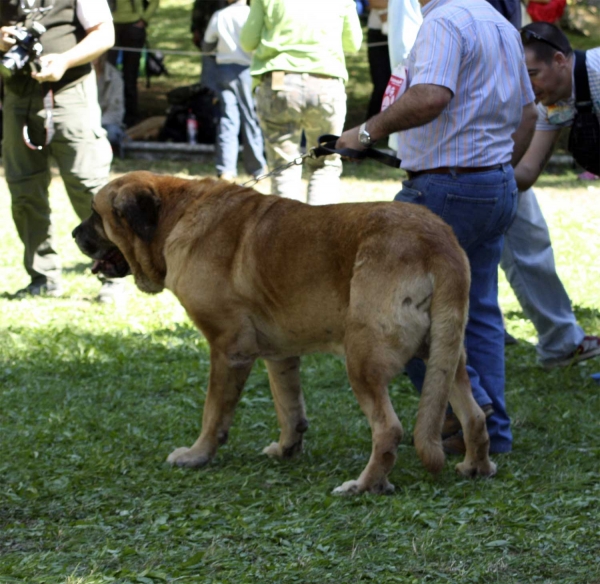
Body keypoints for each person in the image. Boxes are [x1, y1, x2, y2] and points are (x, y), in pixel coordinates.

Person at [337, 0, 538, 455]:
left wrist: (366, 133)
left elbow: (430, 95)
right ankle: (490, 435)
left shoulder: (444, 20)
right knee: (479, 310)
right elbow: (529, 113)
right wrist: (499, 168)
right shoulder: (498, 20)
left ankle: (472, 408)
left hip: (444, 189)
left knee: (394, 311)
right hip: (492, 185)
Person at [0, 0, 125, 303]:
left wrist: (65, 61)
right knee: (24, 190)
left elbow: (104, 33)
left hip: (70, 94)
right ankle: (42, 277)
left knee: (89, 186)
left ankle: (114, 273)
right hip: (18, 96)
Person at [240, 0, 363, 205]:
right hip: (326, 83)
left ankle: (287, 234)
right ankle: (320, 234)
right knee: (325, 165)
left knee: (283, 167)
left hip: (279, 82)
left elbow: (247, 41)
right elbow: (353, 43)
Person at [202, 0, 267, 182]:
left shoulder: (220, 15)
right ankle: (257, 168)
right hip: (248, 69)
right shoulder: (252, 14)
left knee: (228, 119)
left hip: (224, 70)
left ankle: (226, 169)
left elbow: (207, 45)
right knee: (250, 117)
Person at [108, 0, 159, 128]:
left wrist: (144, 20)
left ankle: (130, 118)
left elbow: (154, 2)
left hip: (133, 28)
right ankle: (107, 115)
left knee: (130, 76)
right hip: (109, 26)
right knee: (107, 74)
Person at [93, 53, 126, 157]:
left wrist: (94, 127)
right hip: (81, 122)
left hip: (104, 124)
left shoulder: (114, 77)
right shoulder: (75, 76)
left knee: (111, 132)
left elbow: (115, 113)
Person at [191, 0, 227, 94]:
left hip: (229, 41)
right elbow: (199, 9)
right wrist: (196, 30)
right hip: (208, 37)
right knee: (209, 80)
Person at [365, 0, 391, 121]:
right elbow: (374, 3)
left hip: (406, 31)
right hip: (378, 34)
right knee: (382, 85)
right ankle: (370, 128)